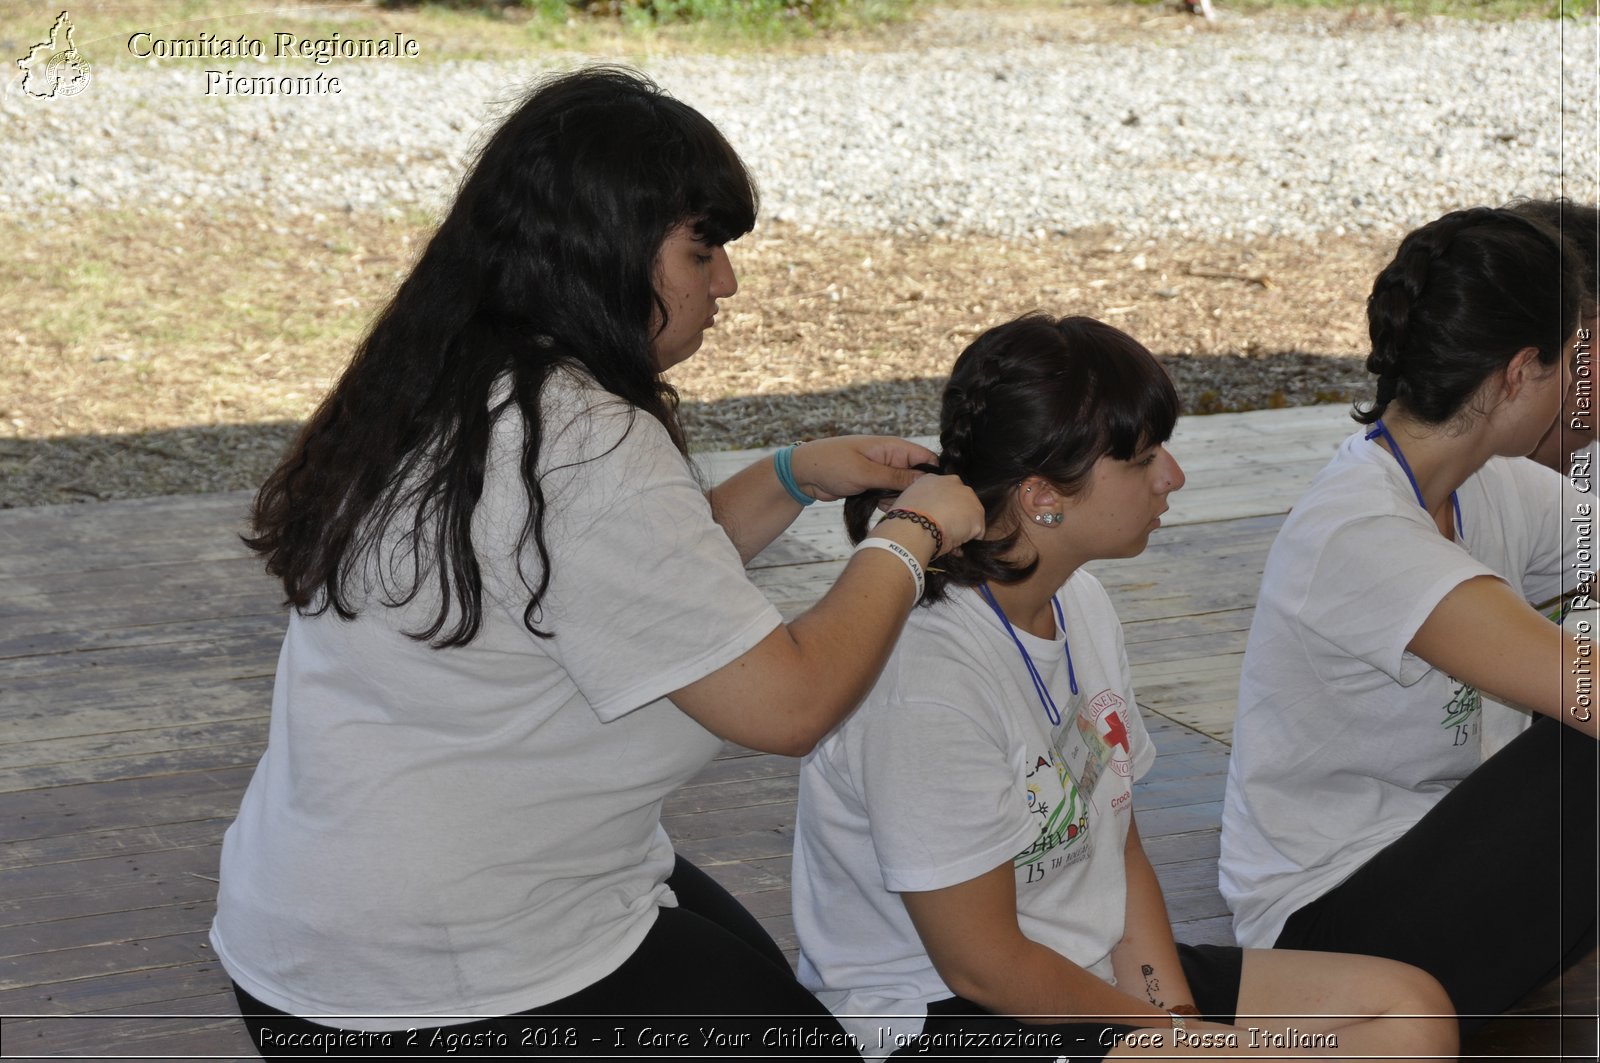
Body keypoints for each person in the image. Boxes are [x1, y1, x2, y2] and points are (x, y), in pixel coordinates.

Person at [210, 66, 984, 1058]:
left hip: (324, 920)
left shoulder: (455, 374)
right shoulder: (581, 439)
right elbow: (788, 704)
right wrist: (909, 538)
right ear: (604, 247)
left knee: (768, 1000)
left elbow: (614, 584)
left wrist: (791, 475)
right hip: (431, 970)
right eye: (702, 250)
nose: (727, 283)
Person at [791, 313, 1458, 1061]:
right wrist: (1169, 1041)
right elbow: (983, 964)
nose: (1172, 476)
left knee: (1408, 1013)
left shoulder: (1080, 601)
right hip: (946, 1013)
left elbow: (1120, 841)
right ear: (1045, 493)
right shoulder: (925, 671)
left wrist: (1172, 1010)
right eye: (1143, 460)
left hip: (1083, 965)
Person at [1218, 207, 1598, 1034]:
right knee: (1587, 752)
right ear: (1520, 371)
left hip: (1442, 873)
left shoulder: (1486, 485)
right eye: (1575, 359)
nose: (1582, 383)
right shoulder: (1358, 529)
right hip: (1327, 930)